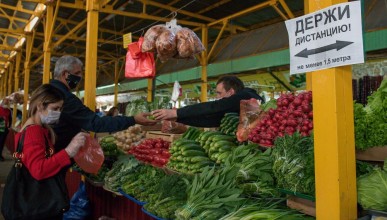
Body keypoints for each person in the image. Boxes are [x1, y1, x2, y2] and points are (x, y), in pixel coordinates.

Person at [49, 55, 156, 153]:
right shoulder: (65, 97)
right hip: (58, 153)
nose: (80, 77)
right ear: (65, 74)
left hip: (50, 149)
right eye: (77, 73)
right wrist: (133, 119)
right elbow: (96, 123)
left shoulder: (47, 90)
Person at [14, 84, 89, 219]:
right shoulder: (33, 132)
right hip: (38, 202)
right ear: (40, 106)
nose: (58, 112)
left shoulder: (37, 128)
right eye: (55, 108)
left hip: (35, 200)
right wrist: (68, 151)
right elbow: (39, 170)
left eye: (60, 108)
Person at [152, 75, 264, 127]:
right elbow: (212, 120)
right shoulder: (234, 108)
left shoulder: (246, 96)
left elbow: (213, 107)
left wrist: (176, 112)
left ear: (230, 92)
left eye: (219, 93)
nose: (217, 97)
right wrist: (179, 118)